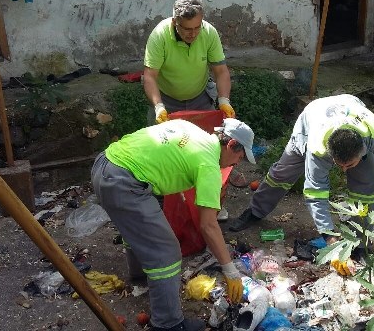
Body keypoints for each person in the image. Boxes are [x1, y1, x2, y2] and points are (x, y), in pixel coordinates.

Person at [91, 118, 255, 331]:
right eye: (239, 157)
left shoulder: (189, 128)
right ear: (231, 144)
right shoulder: (209, 164)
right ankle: (168, 324)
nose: (236, 164)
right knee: (167, 252)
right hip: (124, 182)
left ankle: (140, 273)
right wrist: (230, 270)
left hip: (105, 164)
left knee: (144, 225)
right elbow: (208, 225)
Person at [229, 94, 374, 245]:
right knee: (282, 174)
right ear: (328, 153)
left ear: (363, 151)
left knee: (365, 189)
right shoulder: (316, 145)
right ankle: (254, 212)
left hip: (350, 105)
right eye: (339, 165)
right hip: (312, 118)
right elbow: (315, 193)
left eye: (350, 165)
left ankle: (360, 242)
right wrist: (329, 238)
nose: (344, 171)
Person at [143, 0, 235, 125]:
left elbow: (221, 71)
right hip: (166, 101)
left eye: (197, 27)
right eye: (187, 29)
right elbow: (150, 76)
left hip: (201, 98)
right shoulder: (159, 36)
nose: (193, 33)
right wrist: (158, 107)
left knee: (208, 140)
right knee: (165, 143)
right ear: (175, 22)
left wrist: (224, 101)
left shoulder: (209, 33)